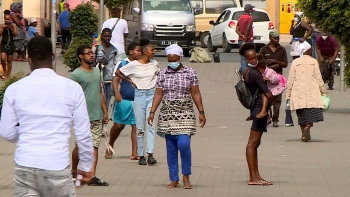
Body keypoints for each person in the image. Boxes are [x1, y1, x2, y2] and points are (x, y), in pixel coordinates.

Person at [0, 36, 94, 196]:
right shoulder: (72, 88)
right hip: (56, 164)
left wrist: (24, 134)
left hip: (25, 164)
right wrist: (85, 165)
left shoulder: (14, 89)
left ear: (29, 59)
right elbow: (83, 133)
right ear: (52, 56)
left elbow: (6, 132)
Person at [148, 44, 206, 189]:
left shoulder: (190, 73)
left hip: (185, 113)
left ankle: (186, 175)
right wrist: (152, 111)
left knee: (184, 144)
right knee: (171, 148)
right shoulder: (162, 74)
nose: (172, 62)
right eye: (169, 59)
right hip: (168, 114)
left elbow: (196, 93)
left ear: (180, 57)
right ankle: (174, 178)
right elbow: (158, 94)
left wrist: (201, 112)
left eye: (175, 59)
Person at [115, 38, 159, 166]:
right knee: (140, 127)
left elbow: (158, 76)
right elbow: (118, 72)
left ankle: (150, 153)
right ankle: (141, 155)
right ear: (145, 51)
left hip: (151, 94)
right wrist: (129, 81)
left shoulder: (154, 64)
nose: (154, 52)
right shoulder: (134, 65)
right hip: (139, 95)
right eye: (152, 50)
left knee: (150, 124)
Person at [71, 45, 109, 186]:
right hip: (82, 116)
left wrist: (104, 111)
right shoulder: (76, 74)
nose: (91, 56)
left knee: (94, 146)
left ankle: (91, 176)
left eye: (92, 53)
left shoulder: (96, 72)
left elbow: (100, 92)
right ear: (81, 56)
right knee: (80, 146)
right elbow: (71, 95)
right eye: (88, 54)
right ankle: (74, 170)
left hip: (96, 115)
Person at [239, 42, 274, 186]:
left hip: (256, 109)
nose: (254, 60)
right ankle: (253, 178)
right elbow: (267, 93)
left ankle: (257, 176)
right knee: (252, 144)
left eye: (255, 58)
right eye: (251, 58)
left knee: (255, 143)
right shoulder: (254, 73)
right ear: (246, 59)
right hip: (260, 109)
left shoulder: (246, 71)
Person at [105, 42, 142, 159]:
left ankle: (135, 152)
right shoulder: (122, 63)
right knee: (119, 125)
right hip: (124, 100)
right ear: (131, 51)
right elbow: (115, 79)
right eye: (138, 51)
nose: (140, 53)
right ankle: (110, 145)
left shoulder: (142, 64)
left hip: (138, 100)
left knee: (136, 126)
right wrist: (116, 93)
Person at [285, 42, 327, 142]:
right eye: (310, 49)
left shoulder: (295, 62)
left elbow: (290, 79)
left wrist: (288, 94)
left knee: (301, 114)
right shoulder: (313, 61)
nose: (311, 50)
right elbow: (318, 77)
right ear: (306, 50)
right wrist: (323, 90)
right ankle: (308, 126)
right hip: (312, 91)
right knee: (312, 113)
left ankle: (303, 134)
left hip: (298, 92)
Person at [259, 29, 288, 127]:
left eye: (278, 38)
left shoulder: (282, 49)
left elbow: (285, 64)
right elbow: (259, 63)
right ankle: (267, 117)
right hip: (266, 79)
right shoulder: (264, 49)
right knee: (266, 98)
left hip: (278, 79)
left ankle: (275, 119)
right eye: (275, 38)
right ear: (270, 38)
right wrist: (268, 66)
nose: (277, 40)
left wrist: (276, 62)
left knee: (277, 100)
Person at [93, 28, 119, 109]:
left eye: (109, 36)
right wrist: (99, 62)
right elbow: (91, 63)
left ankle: (105, 116)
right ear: (102, 37)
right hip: (98, 78)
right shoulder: (96, 49)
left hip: (109, 79)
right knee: (97, 99)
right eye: (105, 36)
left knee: (107, 99)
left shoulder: (115, 50)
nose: (107, 38)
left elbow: (117, 65)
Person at [235, 4, 255, 75]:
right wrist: (245, 39)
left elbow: (236, 30)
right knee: (250, 55)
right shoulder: (250, 18)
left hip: (241, 39)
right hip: (248, 40)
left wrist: (242, 36)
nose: (253, 10)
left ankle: (242, 70)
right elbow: (248, 28)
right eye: (252, 9)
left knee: (243, 55)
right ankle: (244, 72)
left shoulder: (240, 18)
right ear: (249, 10)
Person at [0, 10, 18, 80]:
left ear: (10, 19)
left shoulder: (13, 25)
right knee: (3, 58)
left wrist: (11, 28)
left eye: (8, 19)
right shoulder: (1, 25)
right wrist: (2, 29)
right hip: (3, 44)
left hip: (10, 43)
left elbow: (15, 34)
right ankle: (4, 72)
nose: (7, 21)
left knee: (9, 60)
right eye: (6, 19)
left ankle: (8, 74)